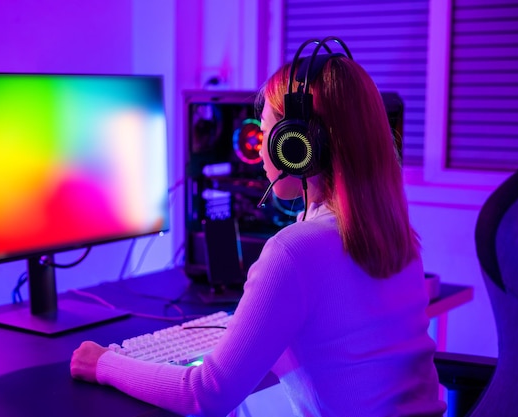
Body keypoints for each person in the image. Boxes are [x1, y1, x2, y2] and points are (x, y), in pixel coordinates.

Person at [70, 38, 447, 417]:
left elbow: (206, 395)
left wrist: (103, 363)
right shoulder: (396, 237)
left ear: (298, 146)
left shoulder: (295, 250)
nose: (261, 149)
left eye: (265, 131)